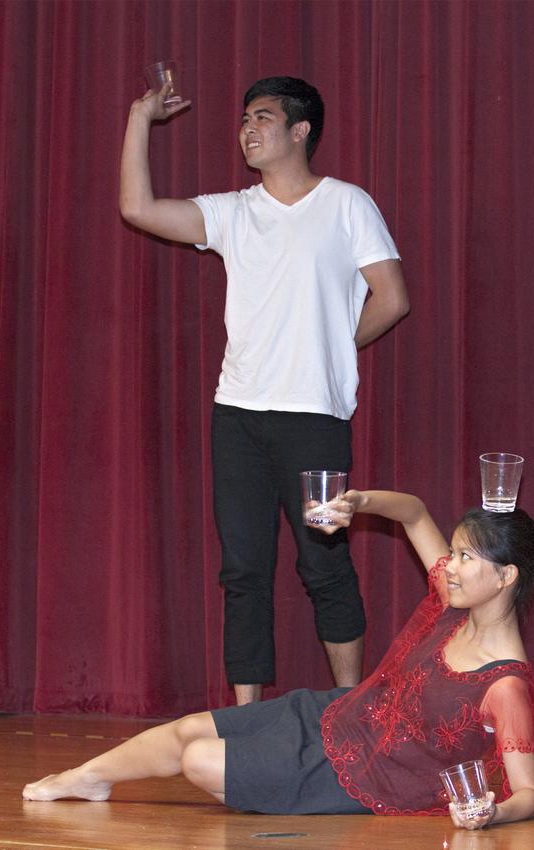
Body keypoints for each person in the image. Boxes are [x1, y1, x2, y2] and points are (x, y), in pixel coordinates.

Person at [119, 76, 409, 702]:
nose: (248, 129)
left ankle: (348, 712)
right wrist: (141, 118)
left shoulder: (346, 204)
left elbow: (392, 297)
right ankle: (247, 724)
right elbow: (139, 210)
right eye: (244, 119)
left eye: (264, 117)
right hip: (239, 418)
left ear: (300, 130)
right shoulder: (233, 211)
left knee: (323, 564)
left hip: (312, 421)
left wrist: (329, 346)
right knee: (244, 571)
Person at [24, 489, 534, 829]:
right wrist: (357, 503)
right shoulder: (453, 603)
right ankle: (90, 776)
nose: (454, 567)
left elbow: (529, 792)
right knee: (187, 729)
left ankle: (102, 778)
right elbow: (415, 510)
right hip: (336, 713)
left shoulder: (504, 685)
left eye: (467, 557)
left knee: (197, 760)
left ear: (506, 576)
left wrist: (493, 813)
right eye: (457, 554)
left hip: (358, 777)